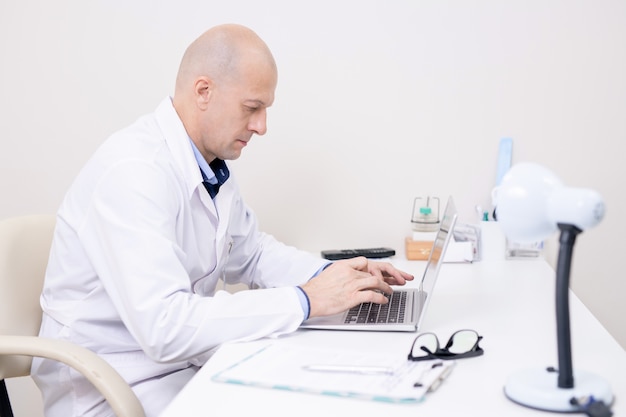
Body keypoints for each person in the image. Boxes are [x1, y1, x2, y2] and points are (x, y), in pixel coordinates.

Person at [32, 24, 414, 417]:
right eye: (252, 108)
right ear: (203, 92)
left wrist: (338, 275)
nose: (262, 126)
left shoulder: (208, 164)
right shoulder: (133, 171)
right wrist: (305, 300)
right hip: (112, 387)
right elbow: (165, 327)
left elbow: (253, 254)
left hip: (178, 370)